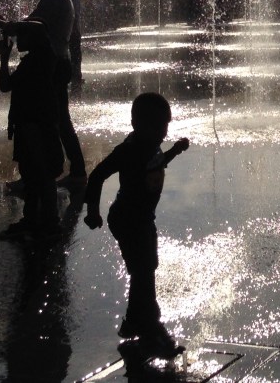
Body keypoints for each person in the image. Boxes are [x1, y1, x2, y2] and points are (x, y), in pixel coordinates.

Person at [84, 92, 189, 358]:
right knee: (144, 271)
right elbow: (96, 176)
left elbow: (155, 162)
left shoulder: (150, 145)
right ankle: (152, 330)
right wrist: (92, 212)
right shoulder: (129, 150)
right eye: (157, 127)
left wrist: (173, 152)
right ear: (136, 125)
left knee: (144, 269)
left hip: (141, 218)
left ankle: (134, 321)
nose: (162, 133)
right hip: (129, 219)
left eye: (165, 127)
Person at [0, 0, 86, 184]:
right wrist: (4, 22)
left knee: (47, 119)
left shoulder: (54, 0)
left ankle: (44, 173)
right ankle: (71, 171)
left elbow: (31, 28)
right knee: (58, 119)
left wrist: (0, 23)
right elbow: (29, 25)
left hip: (52, 65)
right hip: (56, 63)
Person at [0, 20, 63, 241]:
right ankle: (41, 221)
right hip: (41, 121)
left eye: (20, 37)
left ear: (31, 39)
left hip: (32, 124)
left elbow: (5, 85)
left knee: (37, 172)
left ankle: (43, 223)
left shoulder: (32, 62)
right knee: (37, 172)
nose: (17, 41)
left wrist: (4, 57)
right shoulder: (46, 56)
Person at [63, 0, 84, 84]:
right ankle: (76, 75)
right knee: (76, 54)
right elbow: (74, 15)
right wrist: (75, 29)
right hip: (73, 31)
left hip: (63, 31)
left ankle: (67, 75)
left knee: (65, 53)